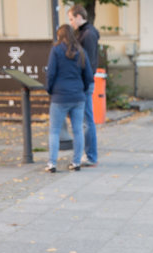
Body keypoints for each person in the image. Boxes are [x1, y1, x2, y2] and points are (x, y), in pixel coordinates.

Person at [45, 24, 93, 173]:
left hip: (60, 97)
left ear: (59, 36)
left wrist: (50, 90)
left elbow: (51, 73)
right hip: (78, 96)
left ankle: (52, 164)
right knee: (78, 130)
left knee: (54, 130)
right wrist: (82, 90)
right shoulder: (81, 51)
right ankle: (76, 162)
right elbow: (88, 76)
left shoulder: (56, 50)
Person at [68, 4, 100, 167]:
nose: (71, 22)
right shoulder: (87, 33)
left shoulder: (87, 34)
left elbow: (87, 62)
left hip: (85, 82)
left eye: (72, 19)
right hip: (85, 81)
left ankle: (91, 156)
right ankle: (89, 154)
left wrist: (82, 80)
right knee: (86, 119)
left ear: (79, 16)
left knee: (87, 120)